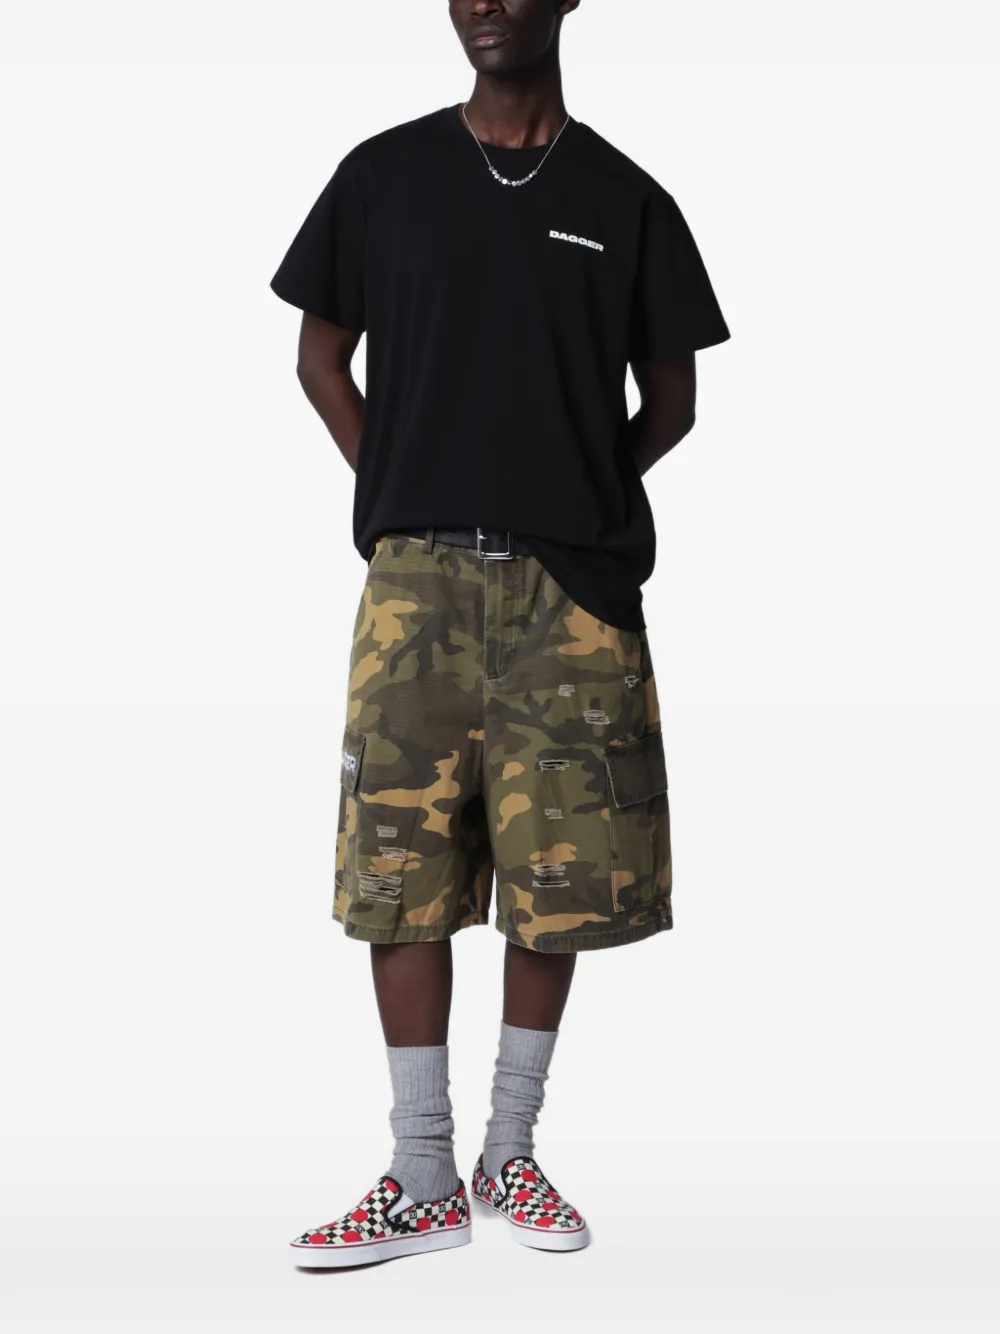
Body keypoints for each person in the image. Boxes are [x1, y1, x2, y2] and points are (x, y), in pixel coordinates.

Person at [271, 0, 730, 1267]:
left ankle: (508, 1154)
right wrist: (400, 482)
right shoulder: (383, 176)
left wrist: (573, 491)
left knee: (559, 874)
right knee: (396, 868)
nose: (483, 2)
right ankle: (420, 1172)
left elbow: (675, 398)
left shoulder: (625, 199)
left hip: (567, 594)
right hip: (414, 586)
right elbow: (319, 358)